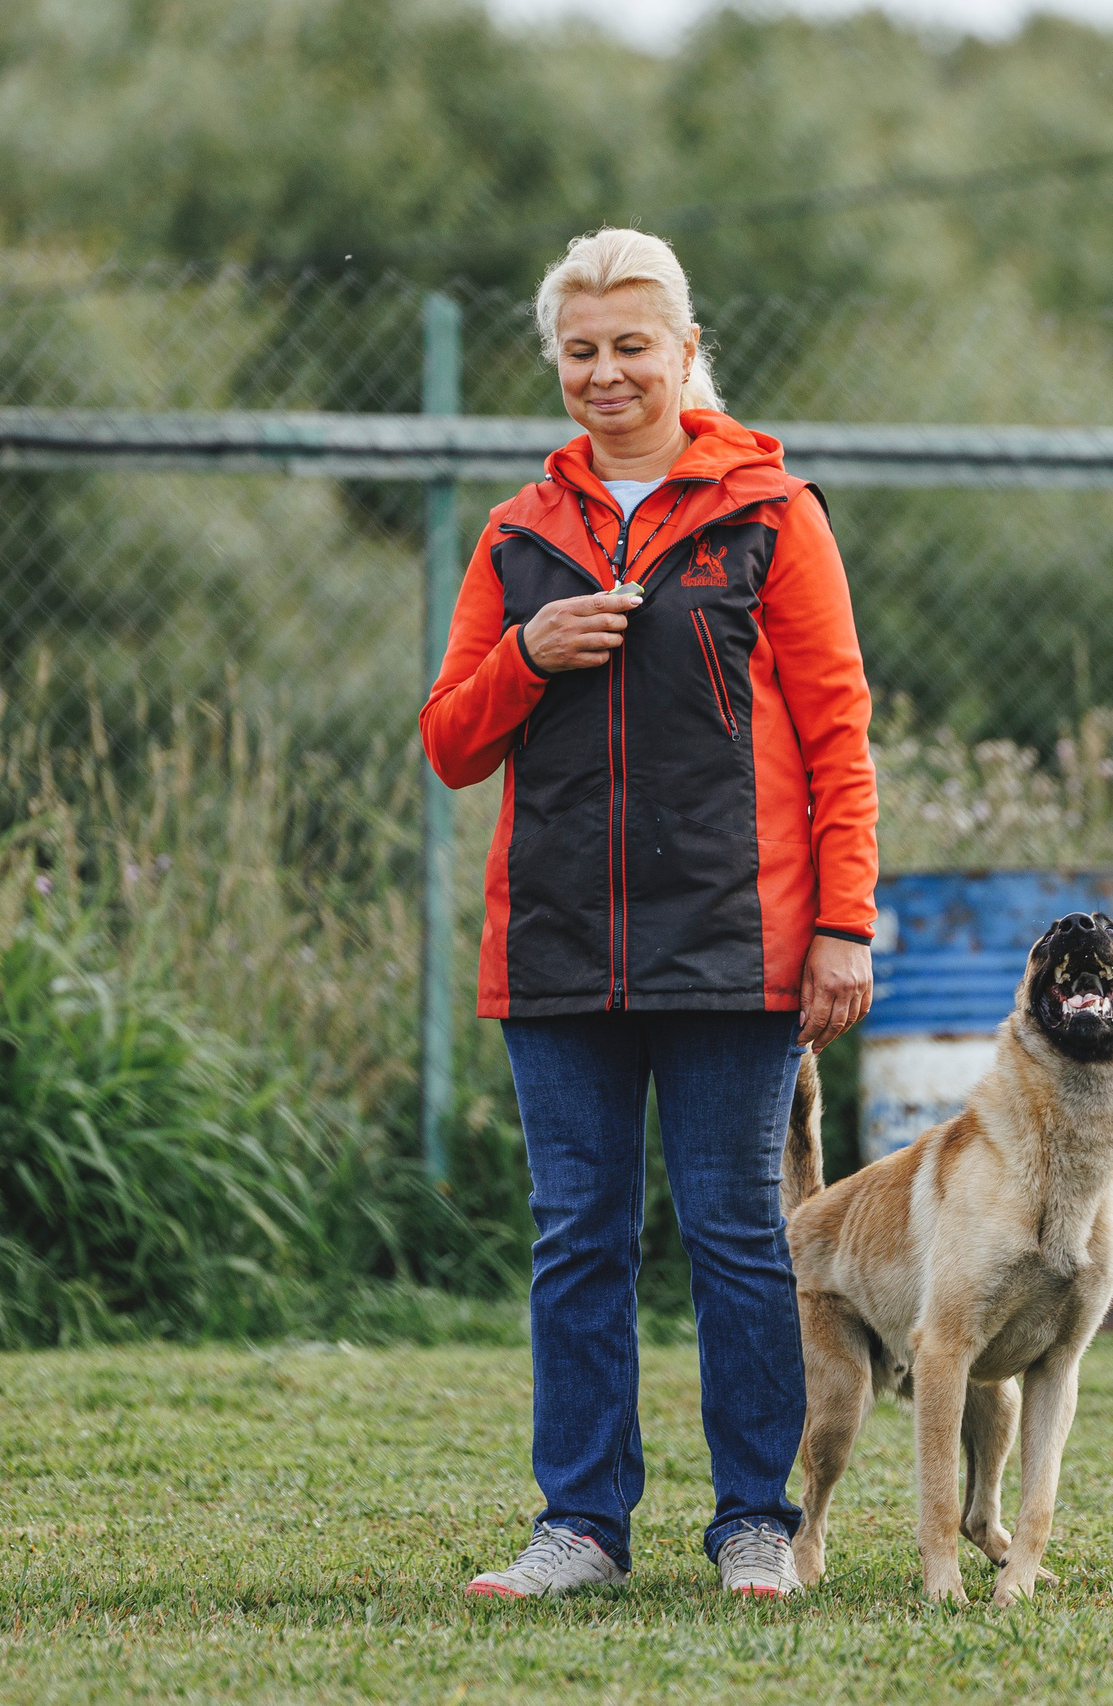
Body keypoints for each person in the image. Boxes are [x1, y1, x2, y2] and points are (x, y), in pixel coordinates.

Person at [420, 227, 877, 1600]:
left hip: (737, 945)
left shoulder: (772, 514)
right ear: (556, 361)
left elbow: (841, 727)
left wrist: (843, 922)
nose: (607, 371)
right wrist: (528, 652)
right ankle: (581, 1524)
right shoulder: (516, 538)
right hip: (557, 949)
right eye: (582, 349)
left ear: (687, 354)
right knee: (578, 1239)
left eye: (634, 346)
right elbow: (449, 740)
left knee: (737, 1231)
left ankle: (755, 1520)